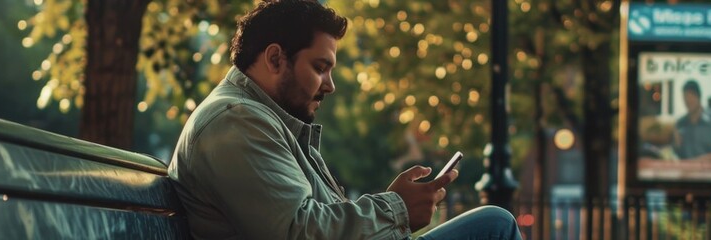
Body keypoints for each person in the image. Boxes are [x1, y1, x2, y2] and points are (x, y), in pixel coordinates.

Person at [168, 0, 521, 239]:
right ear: (275, 58)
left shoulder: (263, 119)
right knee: (495, 225)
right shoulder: (236, 122)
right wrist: (395, 208)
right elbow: (299, 230)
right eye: (320, 68)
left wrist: (395, 206)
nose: (330, 85)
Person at [673, 80, 711, 162]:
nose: (688, 101)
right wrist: (677, 146)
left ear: (698, 97)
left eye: (691, 97)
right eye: (685, 97)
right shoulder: (680, 124)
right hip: (687, 173)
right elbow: (677, 156)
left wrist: (699, 162)